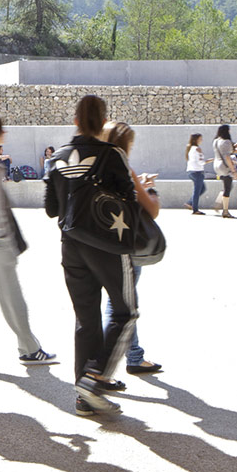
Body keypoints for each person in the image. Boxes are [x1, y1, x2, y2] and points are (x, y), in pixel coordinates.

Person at [45, 94, 159, 417]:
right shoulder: (112, 155)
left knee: (86, 320)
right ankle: (95, 378)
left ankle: (84, 397)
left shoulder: (57, 158)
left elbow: (52, 208)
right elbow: (127, 200)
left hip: (71, 246)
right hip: (109, 247)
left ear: (76, 120)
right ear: (101, 120)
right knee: (126, 312)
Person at [0, 114, 58, 368]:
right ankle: (28, 348)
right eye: (0, 129)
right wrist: (8, 242)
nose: (5, 131)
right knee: (11, 297)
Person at [101, 121, 163, 378]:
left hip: (102, 245)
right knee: (123, 308)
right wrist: (149, 189)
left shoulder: (97, 168)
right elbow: (152, 209)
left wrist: (138, 182)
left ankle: (134, 355)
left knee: (120, 303)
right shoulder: (124, 168)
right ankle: (101, 367)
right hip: (126, 246)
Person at [212, 124, 237, 218]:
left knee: (227, 186)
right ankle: (225, 211)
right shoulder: (226, 141)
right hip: (224, 166)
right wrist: (233, 170)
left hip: (217, 165)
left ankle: (218, 203)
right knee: (227, 187)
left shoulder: (216, 141)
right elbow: (227, 157)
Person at [185, 133, 209, 215]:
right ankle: (195, 209)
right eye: (200, 138)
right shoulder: (197, 149)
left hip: (191, 171)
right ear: (196, 140)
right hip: (197, 172)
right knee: (197, 190)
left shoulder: (190, 148)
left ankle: (190, 202)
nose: (202, 140)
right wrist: (210, 160)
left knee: (202, 188)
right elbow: (201, 162)